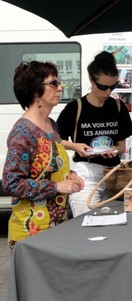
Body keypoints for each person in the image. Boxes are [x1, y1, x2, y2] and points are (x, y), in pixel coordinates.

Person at [2, 61, 84, 250]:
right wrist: (57, 186)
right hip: (31, 236)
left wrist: (70, 175)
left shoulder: (51, 125)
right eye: (53, 83)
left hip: (56, 229)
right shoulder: (23, 132)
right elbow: (11, 182)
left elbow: (50, 166)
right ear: (35, 92)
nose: (60, 87)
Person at [57, 51, 132, 217]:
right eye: (102, 87)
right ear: (91, 79)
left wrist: (113, 150)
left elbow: (122, 146)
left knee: (115, 228)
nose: (107, 92)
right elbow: (56, 141)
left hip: (113, 175)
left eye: (112, 87)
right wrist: (74, 146)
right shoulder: (75, 108)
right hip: (86, 175)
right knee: (86, 224)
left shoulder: (118, 107)